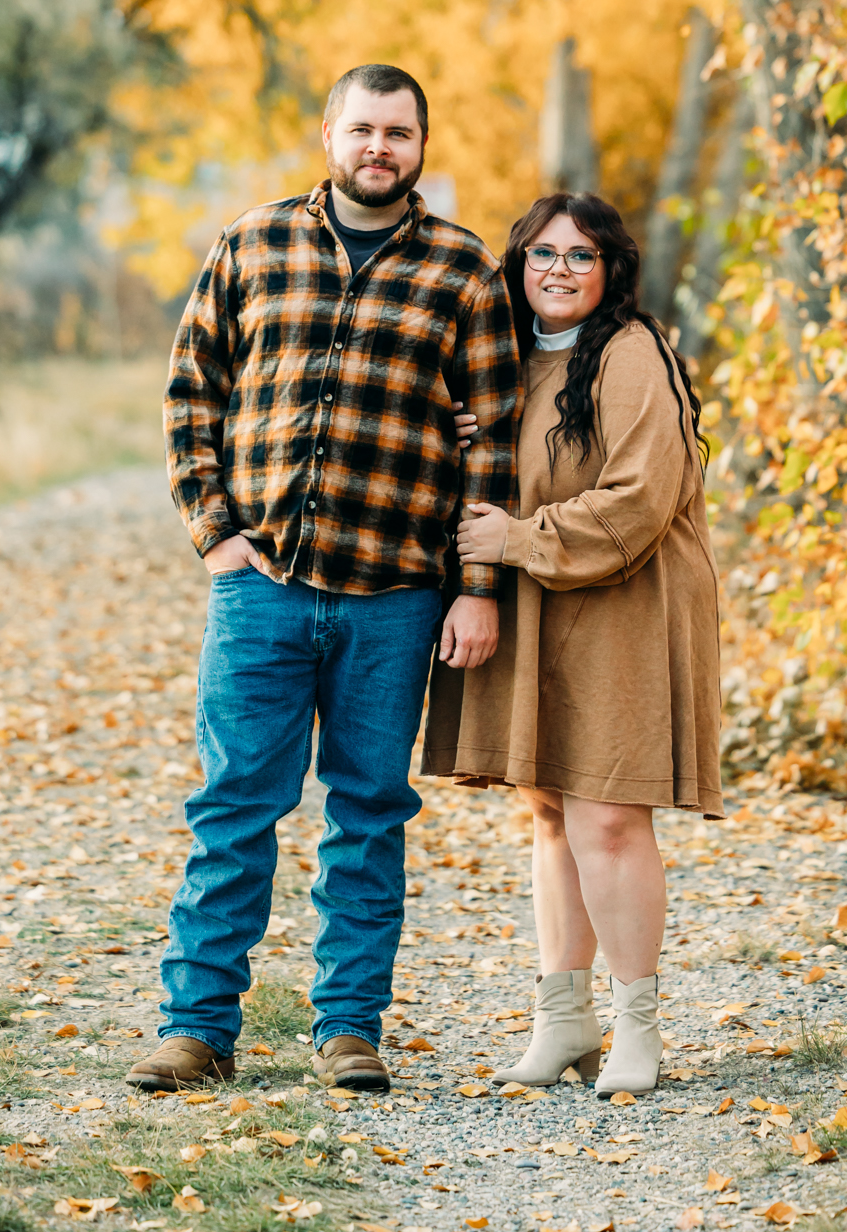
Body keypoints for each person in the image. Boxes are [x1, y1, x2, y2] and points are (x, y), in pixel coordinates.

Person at [129, 63, 520, 1097]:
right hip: (261, 585)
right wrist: (214, 531)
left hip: (395, 595)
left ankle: (349, 1028)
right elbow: (189, 392)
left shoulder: (464, 272)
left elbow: (497, 443)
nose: (378, 147)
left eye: (398, 131)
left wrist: (477, 584)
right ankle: (196, 1028)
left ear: (422, 145)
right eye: (362, 128)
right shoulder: (253, 243)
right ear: (329, 134)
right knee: (232, 807)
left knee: (369, 815)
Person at [424, 190, 722, 1098]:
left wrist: (516, 540)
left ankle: (637, 1027)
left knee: (608, 814)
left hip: (626, 600)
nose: (559, 270)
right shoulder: (511, 361)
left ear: (610, 271)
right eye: (542, 254)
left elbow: (638, 498)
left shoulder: (633, 355)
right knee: (549, 810)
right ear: (518, 269)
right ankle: (564, 1020)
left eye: (580, 256)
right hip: (545, 605)